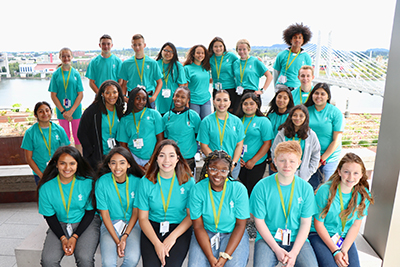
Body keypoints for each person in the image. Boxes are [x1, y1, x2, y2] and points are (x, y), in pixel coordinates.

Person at [250, 141, 318, 267]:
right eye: (282, 160)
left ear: (299, 163)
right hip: (268, 238)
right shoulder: (261, 187)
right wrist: (276, 249)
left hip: (296, 238)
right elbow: (259, 221)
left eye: (292, 161)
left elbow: (305, 223)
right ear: (275, 161)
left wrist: (294, 253)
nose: (287, 165)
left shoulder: (306, 188)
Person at [37, 146, 100, 267]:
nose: (67, 168)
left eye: (72, 163)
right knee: (48, 261)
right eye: (63, 163)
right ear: (56, 164)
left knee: (84, 258)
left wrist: (74, 237)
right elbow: (50, 217)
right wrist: (63, 238)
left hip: (86, 223)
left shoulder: (87, 183)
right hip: (60, 224)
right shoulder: (46, 188)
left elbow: (90, 213)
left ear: (77, 165)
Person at [309, 153, 374, 267]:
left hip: (343, 237)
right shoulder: (325, 191)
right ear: (339, 171)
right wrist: (335, 251)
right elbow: (318, 224)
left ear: (361, 175)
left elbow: (355, 225)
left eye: (355, 173)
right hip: (319, 234)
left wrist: (344, 249)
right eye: (346, 172)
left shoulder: (363, 195)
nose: (350, 177)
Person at [136, 139, 195, 266]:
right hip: (152, 227)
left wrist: (172, 238)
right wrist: (157, 244)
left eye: (171, 155)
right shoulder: (145, 182)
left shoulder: (188, 181)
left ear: (178, 158)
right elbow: (142, 218)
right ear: (156, 158)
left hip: (178, 228)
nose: (166, 160)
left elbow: (190, 217)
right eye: (162, 155)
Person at [188, 150, 250, 267]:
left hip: (232, 233)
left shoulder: (239, 189)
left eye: (223, 170)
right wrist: (211, 258)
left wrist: (225, 256)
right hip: (206, 232)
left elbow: (240, 225)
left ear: (229, 171)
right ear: (207, 169)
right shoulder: (197, 189)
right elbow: (198, 226)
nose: (218, 174)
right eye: (213, 169)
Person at [95, 147, 145, 267]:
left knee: (132, 259)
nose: (117, 167)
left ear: (129, 164)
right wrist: (118, 242)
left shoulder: (138, 182)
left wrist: (125, 236)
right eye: (113, 163)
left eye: (122, 163)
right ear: (109, 165)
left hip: (132, 224)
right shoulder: (102, 182)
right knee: (108, 263)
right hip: (110, 224)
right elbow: (105, 215)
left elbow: (135, 213)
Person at [305, 83, 345, 190]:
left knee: (326, 190)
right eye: (316, 93)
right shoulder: (306, 110)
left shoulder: (335, 112)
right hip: (310, 156)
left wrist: (321, 160)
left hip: (329, 158)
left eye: (323, 94)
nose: (319, 96)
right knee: (309, 188)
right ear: (312, 94)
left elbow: (336, 141)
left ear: (328, 97)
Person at [197, 90, 245, 179]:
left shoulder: (237, 122)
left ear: (230, 103)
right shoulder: (206, 122)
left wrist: (233, 163)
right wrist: (217, 162)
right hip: (213, 165)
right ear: (214, 102)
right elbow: (204, 146)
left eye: (225, 100)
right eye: (218, 100)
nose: (222, 103)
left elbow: (239, 145)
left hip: (232, 166)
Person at [78, 80, 124, 171]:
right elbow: (81, 132)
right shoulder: (93, 111)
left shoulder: (119, 110)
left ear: (118, 93)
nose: (112, 96)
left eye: (114, 92)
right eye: (108, 93)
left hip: (115, 156)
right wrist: (91, 151)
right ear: (102, 94)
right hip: (97, 157)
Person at [21, 101, 70, 184]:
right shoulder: (30, 133)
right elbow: (29, 158)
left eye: (47, 110)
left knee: (61, 196)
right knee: (44, 196)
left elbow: (68, 152)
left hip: (59, 173)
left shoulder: (59, 130)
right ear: (35, 115)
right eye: (41, 111)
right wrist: (41, 175)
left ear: (51, 112)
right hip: (40, 174)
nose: (45, 113)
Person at [116, 87, 164, 170]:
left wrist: (151, 162)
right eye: (137, 98)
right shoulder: (124, 120)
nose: (141, 102)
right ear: (131, 99)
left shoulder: (154, 114)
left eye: (144, 99)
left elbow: (160, 139)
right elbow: (123, 145)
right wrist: (135, 165)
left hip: (153, 157)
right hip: (133, 159)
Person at [236, 92, 274, 196]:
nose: (248, 106)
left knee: (253, 191)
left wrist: (253, 161)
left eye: (251, 103)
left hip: (256, 163)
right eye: (245, 103)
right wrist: (238, 159)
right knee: (243, 190)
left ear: (257, 105)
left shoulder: (263, 121)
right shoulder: (237, 120)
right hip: (240, 162)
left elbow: (267, 143)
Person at [271, 105, 321, 182]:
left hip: (303, 176)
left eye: (301, 116)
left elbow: (316, 154)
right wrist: (280, 167)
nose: (297, 118)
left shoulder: (311, 135)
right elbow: (274, 151)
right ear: (290, 117)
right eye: (295, 115)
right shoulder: (282, 133)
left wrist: (309, 171)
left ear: (306, 118)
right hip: (284, 172)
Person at [48, 47, 84, 154]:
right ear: (59, 57)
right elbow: (53, 95)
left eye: (68, 56)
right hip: (61, 112)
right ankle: (67, 160)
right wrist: (64, 111)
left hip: (75, 111)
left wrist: (71, 111)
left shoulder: (76, 73)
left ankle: (80, 161)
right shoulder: (56, 74)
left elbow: (80, 94)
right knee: (65, 138)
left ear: (72, 57)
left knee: (78, 138)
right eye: (63, 56)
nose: (66, 58)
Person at [162, 86, 201, 174]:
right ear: (173, 97)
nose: (178, 99)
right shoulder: (166, 117)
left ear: (188, 100)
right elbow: (165, 137)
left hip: (188, 158)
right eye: (177, 96)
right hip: (171, 158)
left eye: (183, 97)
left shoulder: (193, 116)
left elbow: (197, 135)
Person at [119, 34, 163, 108]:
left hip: (148, 98)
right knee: (133, 119)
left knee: (149, 119)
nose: (137, 47)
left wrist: (154, 97)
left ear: (144, 45)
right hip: (133, 98)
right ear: (132, 46)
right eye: (134, 45)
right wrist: (124, 96)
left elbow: (160, 82)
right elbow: (124, 83)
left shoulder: (152, 63)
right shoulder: (126, 63)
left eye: (139, 44)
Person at [273, 23, 312, 91]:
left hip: (297, 88)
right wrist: (275, 87)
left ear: (303, 41)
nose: (297, 40)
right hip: (282, 87)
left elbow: (308, 76)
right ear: (290, 40)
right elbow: (276, 72)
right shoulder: (281, 54)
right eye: (295, 37)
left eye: (300, 37)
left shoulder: (306, 57)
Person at [233, 39, 272, 103]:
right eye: (240, 49)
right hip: (239, 94)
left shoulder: (255, 61)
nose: (242, 51)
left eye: (244, 49)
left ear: (249, 49)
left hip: (252, 93)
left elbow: (269, 76)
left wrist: (262, 90)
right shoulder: (235, 63)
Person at [266, 87, 295, 174]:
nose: (281, 100)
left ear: (289, 100)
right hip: (271, 155)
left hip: (286, 157)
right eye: (279, 97)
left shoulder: (292, 117)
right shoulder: (270, 116)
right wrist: (270, 159)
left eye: (285, 98)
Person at [208, 37, 239, 112]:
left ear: (224, 46)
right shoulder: (210, 58)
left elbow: (242, 63)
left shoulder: (230, 56)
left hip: (230, 88)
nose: (218, 48)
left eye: (220, 46)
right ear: (212, 48)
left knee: (231, 112)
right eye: (215, 46)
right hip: (217, 89)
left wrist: (255, 59)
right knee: (217, 112)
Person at [155, 42, 186, 116]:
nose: (168, 53)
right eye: (165, 50)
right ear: (161, 51)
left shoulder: (178, 66)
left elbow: (182, 85)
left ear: (174, 53)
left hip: (174, 100)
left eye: (171, 51)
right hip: (159, 99)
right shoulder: (156, 64)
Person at [183, 44, 212, 120]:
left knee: (206, 122)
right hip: (193, 101)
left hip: (206, 100)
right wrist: (186, 103)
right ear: (193, 54)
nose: (200, 55)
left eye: (202, 53)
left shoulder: (206, 68)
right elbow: (185, 87)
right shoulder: (187, 68)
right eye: (198, 53)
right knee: (195, 123)